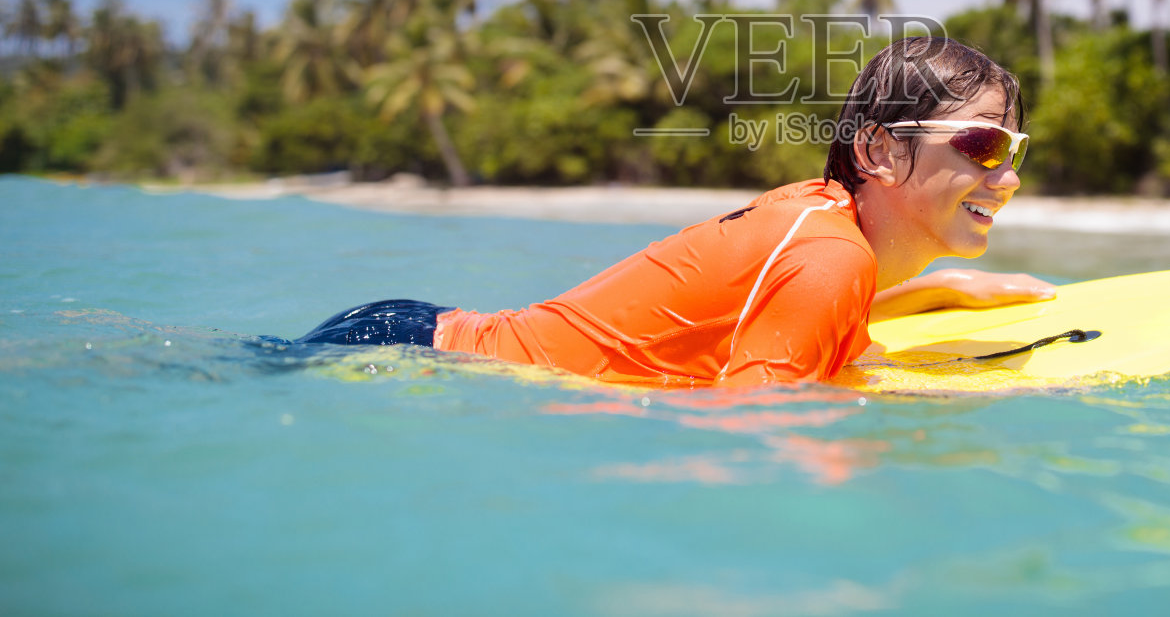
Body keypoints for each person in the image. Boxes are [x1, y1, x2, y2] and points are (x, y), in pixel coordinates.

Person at [294, 36, 1054, 385]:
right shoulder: (833, 258)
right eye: (982, 144)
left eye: (1014, 148)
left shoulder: (824, 226)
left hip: (417, 336)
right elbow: (758, 432)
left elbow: (767, 310)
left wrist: (935, 290)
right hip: (415, 364)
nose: (1008, 175)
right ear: (882, 152)